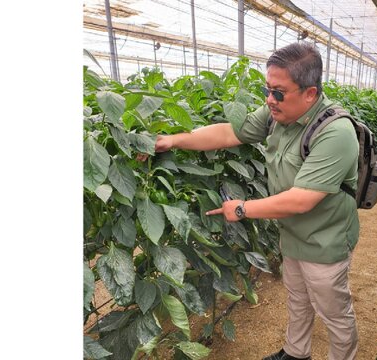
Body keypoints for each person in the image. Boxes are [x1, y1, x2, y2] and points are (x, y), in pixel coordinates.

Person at [141, 42, 360, 360]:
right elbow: (229, 133)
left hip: (325, 240)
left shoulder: (335, 132)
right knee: (298, 298)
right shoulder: (278, 113)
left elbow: (302, 200)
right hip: (293, 234)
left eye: (279, 92)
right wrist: (173, 140)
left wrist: (242, 208)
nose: (270, 99)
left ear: (310, 94)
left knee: (335, 314)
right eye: (267, 89)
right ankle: (296, 352)